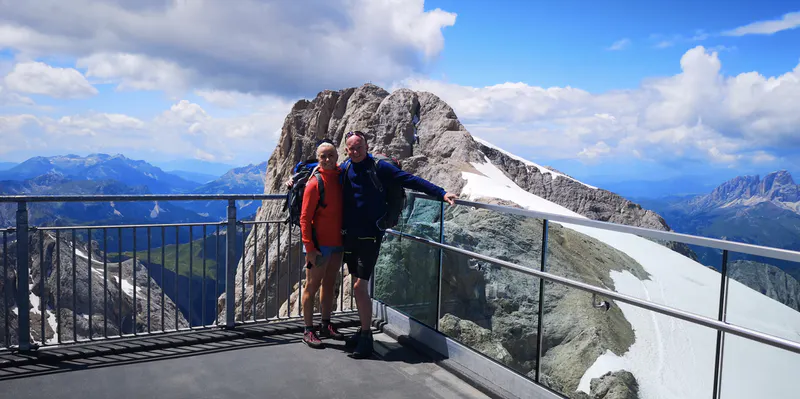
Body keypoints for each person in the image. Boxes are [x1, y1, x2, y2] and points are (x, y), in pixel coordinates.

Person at [340, 130, 457, 359]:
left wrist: (441, 193)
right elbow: (322, 170)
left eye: (359, 148)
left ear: (367, 147)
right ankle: (362, 330)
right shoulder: (345, 168)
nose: (355, 152)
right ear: (346, 149)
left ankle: (366, 337)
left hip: (371, 235)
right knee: (357, 285)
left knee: (358, 287)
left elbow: (410, 180)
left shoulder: (379, 168)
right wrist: (294, 175)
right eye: (351, 148)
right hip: (351, 236)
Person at [298, 139, 346, 348]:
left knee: (329, 284)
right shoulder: (314, 183)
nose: (327, 159)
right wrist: (309, 248)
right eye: (323, 157)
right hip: (318, 247)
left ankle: (325, 324)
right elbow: (304, 218)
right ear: (318, 159)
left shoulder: (340, 177)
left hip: (337, 244)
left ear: (337, 157)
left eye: (330, 156)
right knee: (312, 285)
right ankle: (308, 330)